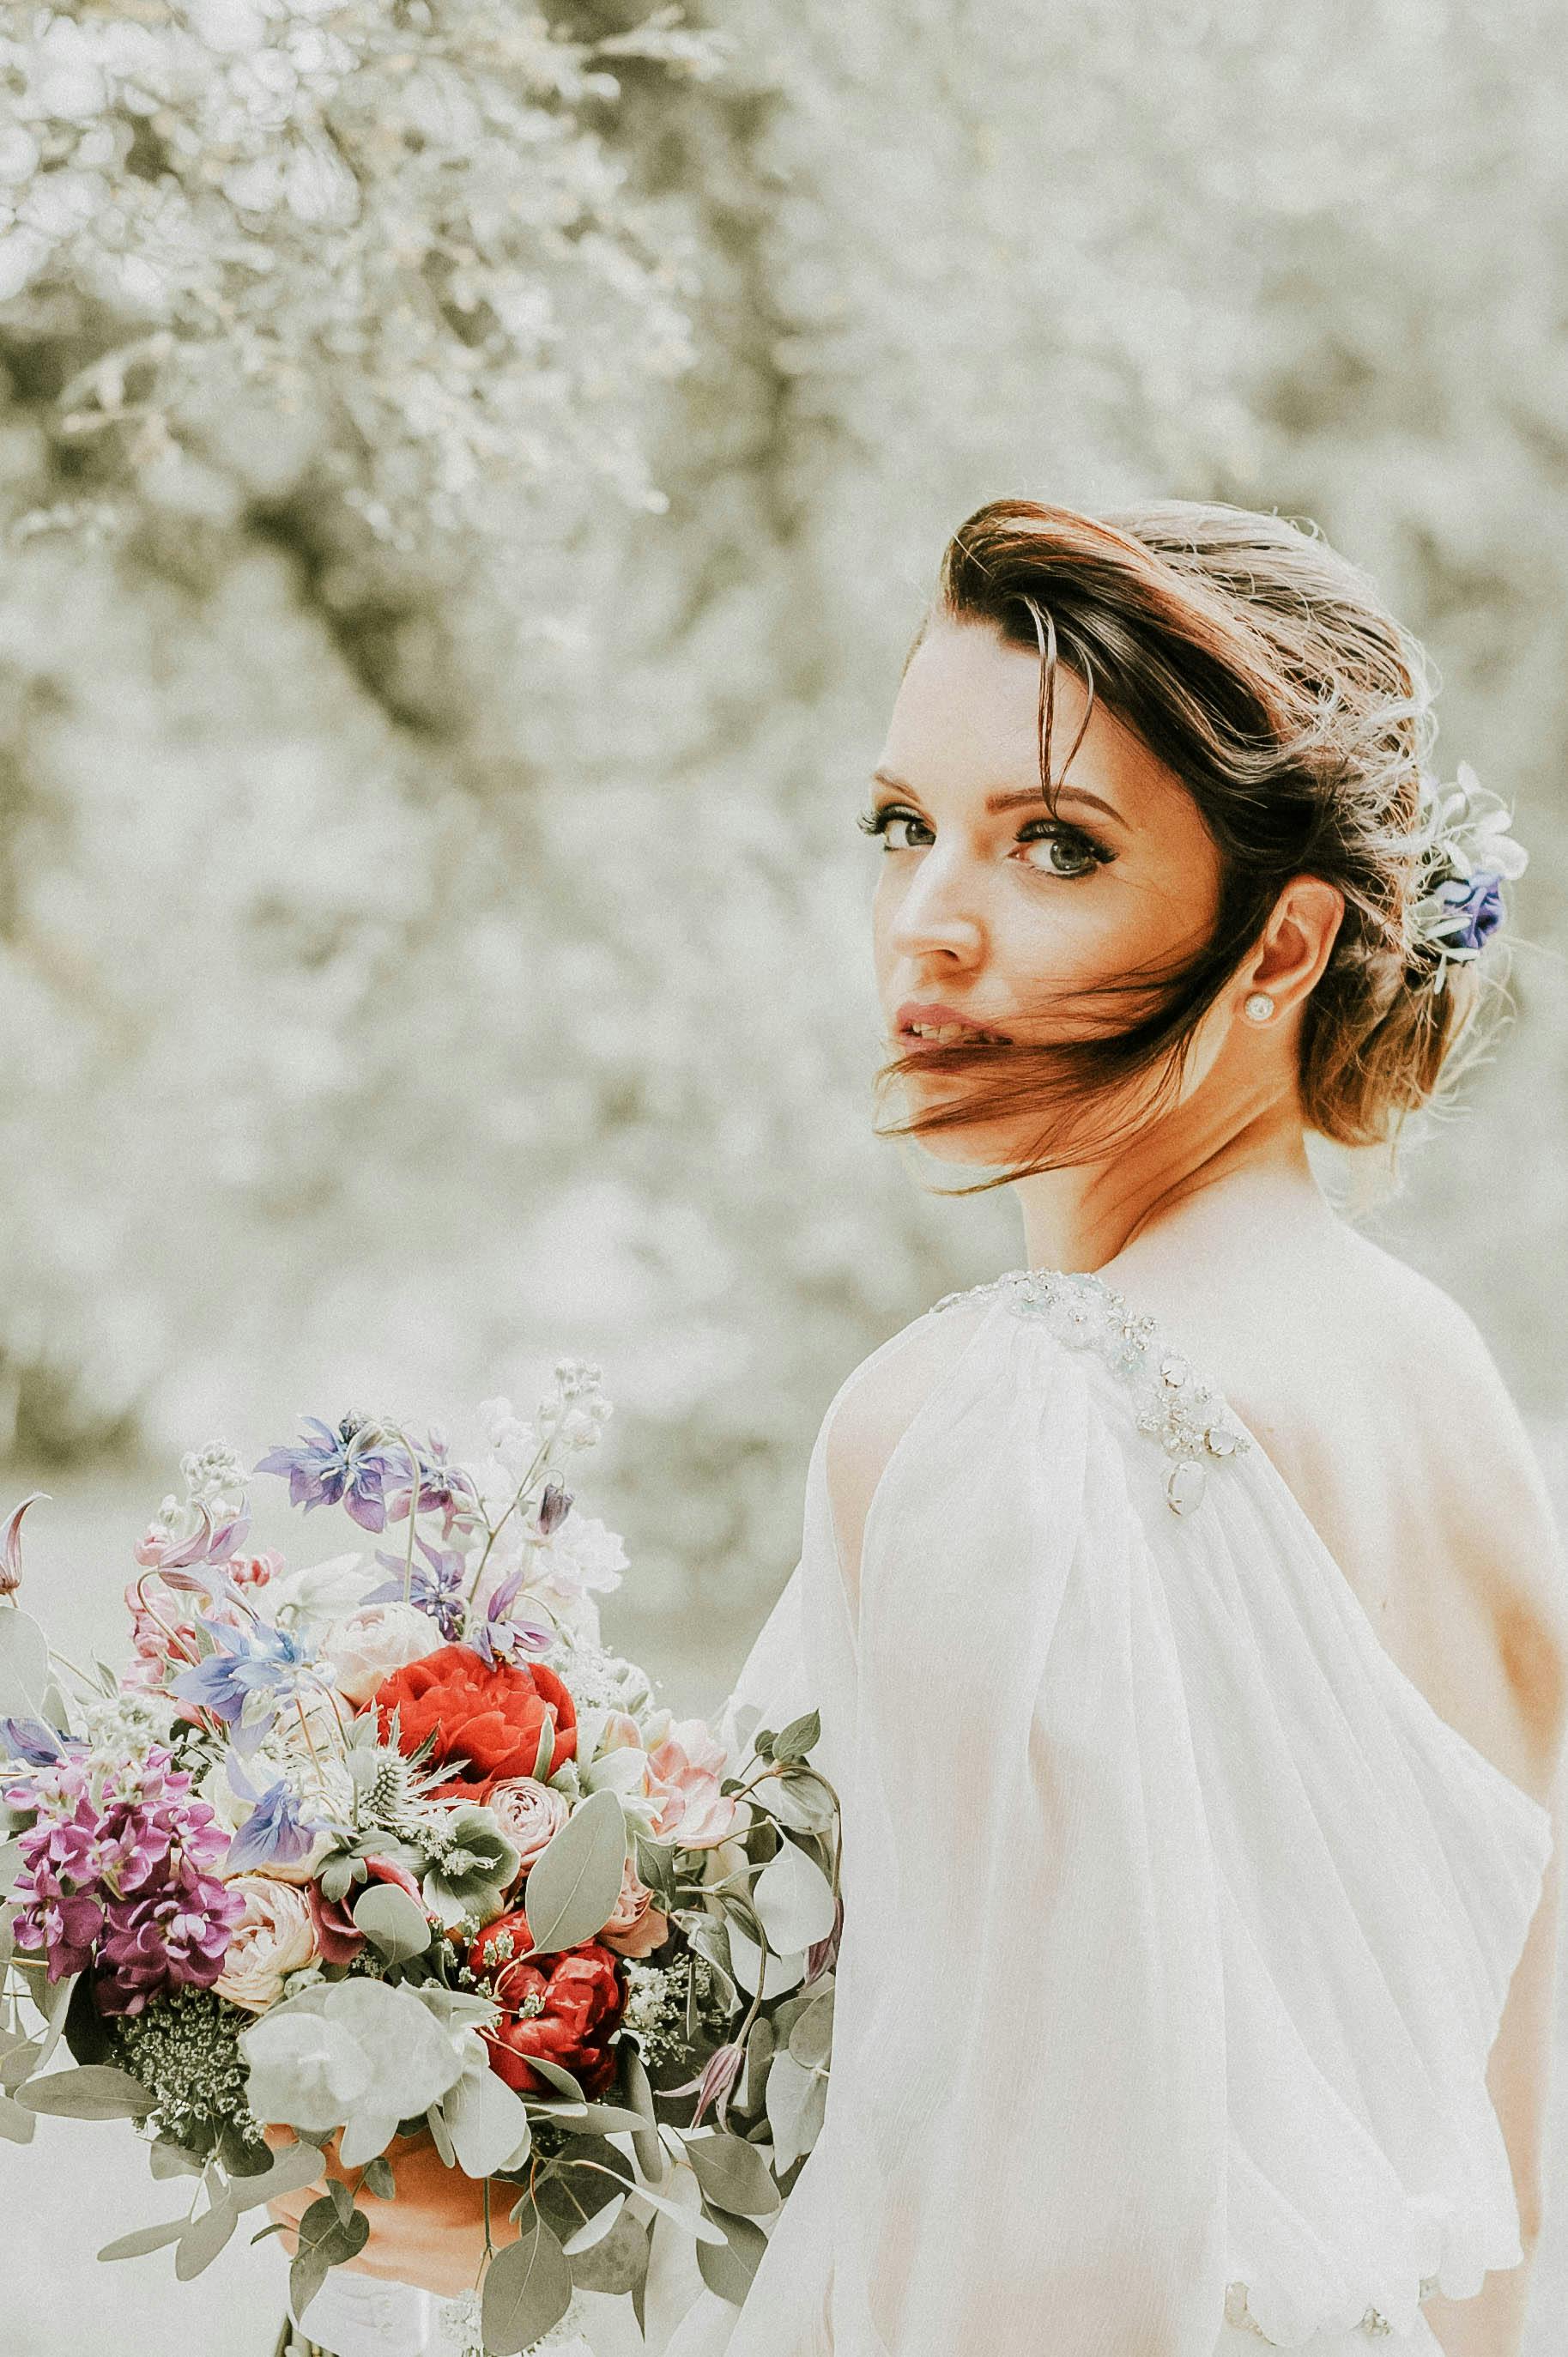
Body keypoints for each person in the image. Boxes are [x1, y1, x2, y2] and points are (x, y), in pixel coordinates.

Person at [273, 498, 1568, 2357]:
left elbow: (1017, 2257)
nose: (926, 924)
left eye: (1052, 845)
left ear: (1279, 944)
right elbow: (1477, 2199)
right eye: (903, 825)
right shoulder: (1440, 1383)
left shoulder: (1007, 1412)